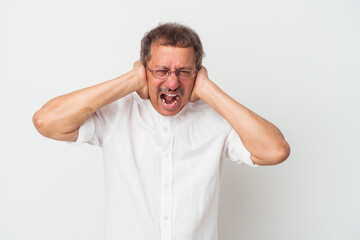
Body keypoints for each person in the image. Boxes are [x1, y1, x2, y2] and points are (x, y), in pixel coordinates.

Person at [33, 23, 290, 240]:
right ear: (145, 69)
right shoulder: (117, 114)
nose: (172, 82)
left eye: (184, 72)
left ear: (197, 74)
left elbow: (275, 151)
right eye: (161, 71)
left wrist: (208, 89)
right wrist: (132, 80)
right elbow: (46, 121)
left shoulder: (216, 121)